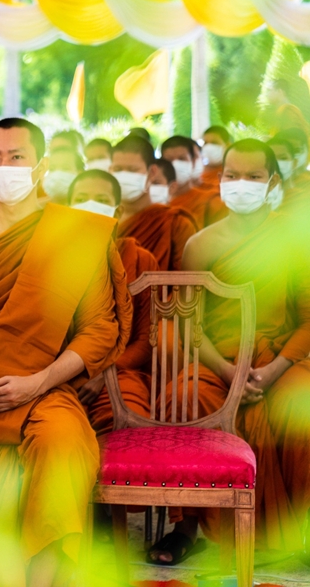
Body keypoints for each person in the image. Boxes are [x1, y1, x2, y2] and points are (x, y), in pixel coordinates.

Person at [0, 118, 131, 587]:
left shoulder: (77, 233)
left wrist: (38, 382)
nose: (4, 166)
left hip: (42, 387)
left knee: (64, 444)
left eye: (17, 157)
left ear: (41, 166)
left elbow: (99, 330)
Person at [149, 139, 309, 563]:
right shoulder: (201, 245)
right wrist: (225, 370)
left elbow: (308, 320)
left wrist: (273, 370)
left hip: (277, 360)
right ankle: (185, 528)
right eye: (233, 175)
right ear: (220, 180)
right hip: (217, 361)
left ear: (272, 182)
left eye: (253, 176)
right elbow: (189, 323)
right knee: (184, 401)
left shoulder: (294, 241)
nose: (242, 184)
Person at [68, 170, 158, 434]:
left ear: (117, 211)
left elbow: (145, 342)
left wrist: (104, 372)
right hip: (61, 374)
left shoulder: (139, 259)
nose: (90, 205)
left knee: (131, 421)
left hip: (120, 371)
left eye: (100, 199)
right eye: (81, 199)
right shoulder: (50, 259)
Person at [112, 135, 197, 271]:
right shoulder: (102, 218)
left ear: (152, 173)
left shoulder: (175, 223)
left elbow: (186, 279)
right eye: (117, 169)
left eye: (132, 170)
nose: (124, 176)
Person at [160, 136, 226, 229]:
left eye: (182, 159)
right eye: (169, 160)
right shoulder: (153, 200)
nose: (175, 164)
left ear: (194, 162)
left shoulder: (212, 202)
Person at [199, 125, 232, 192]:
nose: (208, 147)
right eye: (205, 143)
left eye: (214, 143)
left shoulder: (233, 176)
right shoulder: (196, 174)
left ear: (227, 146)